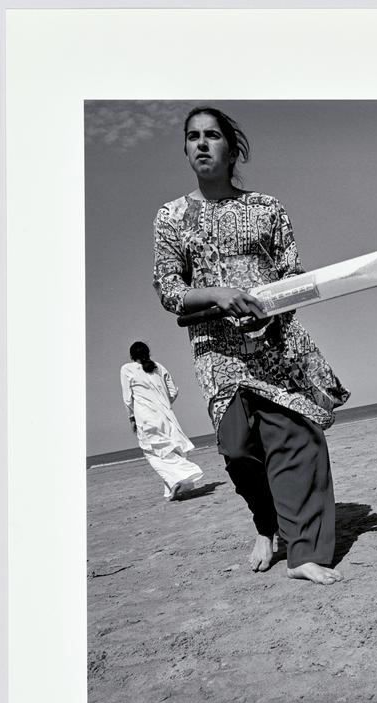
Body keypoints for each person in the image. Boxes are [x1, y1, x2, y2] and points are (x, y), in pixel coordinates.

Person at [153, 106, 350, 583]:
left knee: (297, 438)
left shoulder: (266, 207)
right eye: (193, 136)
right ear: (186, 149)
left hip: (274, 343)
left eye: (212, 135)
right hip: (217, 350)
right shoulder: (171, 217)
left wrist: (273, 305)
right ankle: (267, 524)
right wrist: (218, 295)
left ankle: (303, 554)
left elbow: (293, 272)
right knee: (238, 449)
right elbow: (169, 288)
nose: (202, 143)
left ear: (231, 148)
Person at [120, 341, 203, 500]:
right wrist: (164, 403)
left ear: (132, 356)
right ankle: (172, 490)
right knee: (170, 449)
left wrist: (131, 418)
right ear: (148, 353)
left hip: (145, 417)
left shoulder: (127, 369)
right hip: (166, 415)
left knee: (151, 453)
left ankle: (178, 478)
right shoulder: (159, 367)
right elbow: (173, 392)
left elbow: (127, 398)